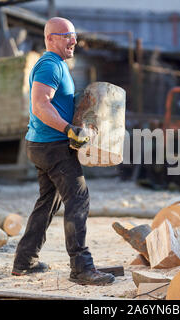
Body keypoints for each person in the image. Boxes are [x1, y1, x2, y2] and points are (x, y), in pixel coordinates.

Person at [11, 17, 115, 286]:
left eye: (75, 35)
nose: (74, 41)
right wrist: (69, 129)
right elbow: (40, 105)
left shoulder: (57, 65)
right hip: (52, 146)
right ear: (51, 39)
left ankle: (24, 261)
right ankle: (81, 268)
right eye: (68, 35)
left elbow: (55, 102)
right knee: (78, 198)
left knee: (47, 202)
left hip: (43, 145)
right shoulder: (48, 65)